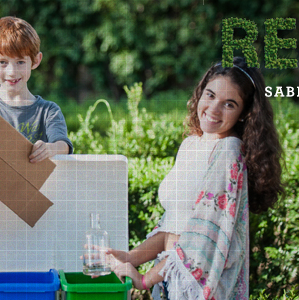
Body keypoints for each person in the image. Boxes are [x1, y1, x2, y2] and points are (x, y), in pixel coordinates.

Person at [95, 57, 283, 300]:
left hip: (202, 290)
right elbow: (171, 228)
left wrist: (144, 279)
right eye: (210, 95)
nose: (214, 109)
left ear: (244, 113)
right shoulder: (191, 145)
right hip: (174, 283)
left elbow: (200, 239)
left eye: (229, 104)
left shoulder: (229, 152)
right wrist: (131, 257)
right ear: (200, 92)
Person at [0, 16, 73, 163]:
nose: (12, 71)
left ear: (36, 60)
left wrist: (50, 148)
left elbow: (63, 145)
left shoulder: (48, 111)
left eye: (20, 62)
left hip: (39, 186)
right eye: (3, 62)